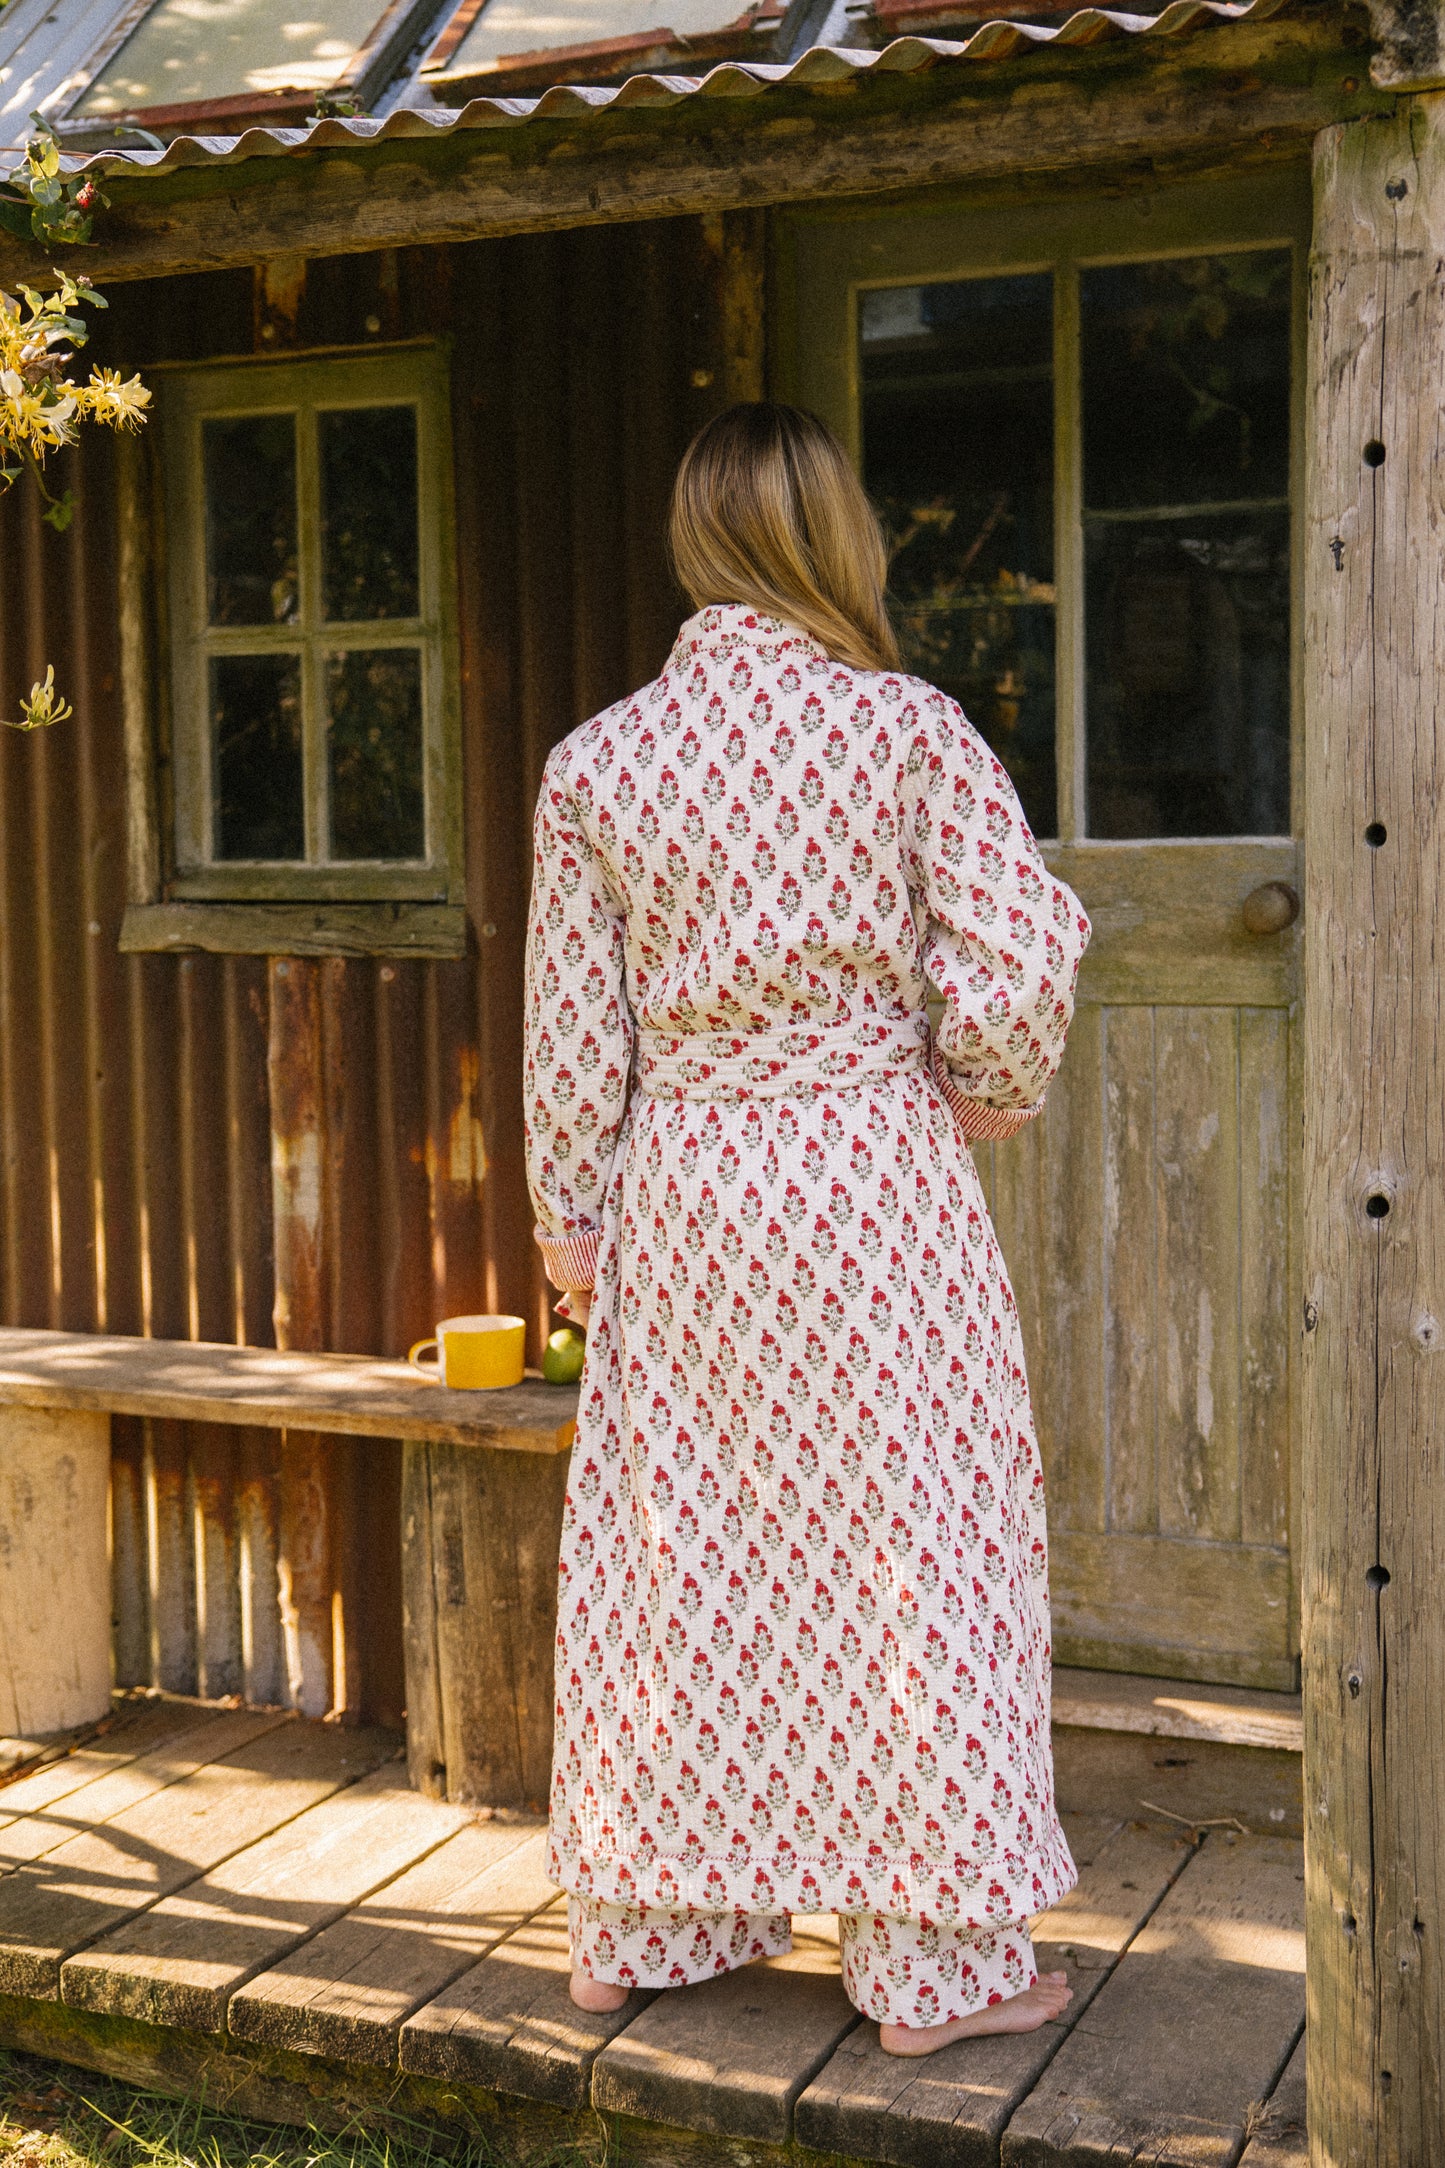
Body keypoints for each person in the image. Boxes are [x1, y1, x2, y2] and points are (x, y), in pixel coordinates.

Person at [522, 402, 1090, 2055]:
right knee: (911, 1545)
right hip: (869, 1183)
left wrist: (572, 1224)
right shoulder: (905, 731)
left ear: (697, 545)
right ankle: (926, 1972)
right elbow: (1019, 951)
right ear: (834, 539)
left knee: (679, 1544)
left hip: (688, 1190)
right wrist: (984, 1084)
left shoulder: (598, 762)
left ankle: (643, 1925)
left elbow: (575, 1030)